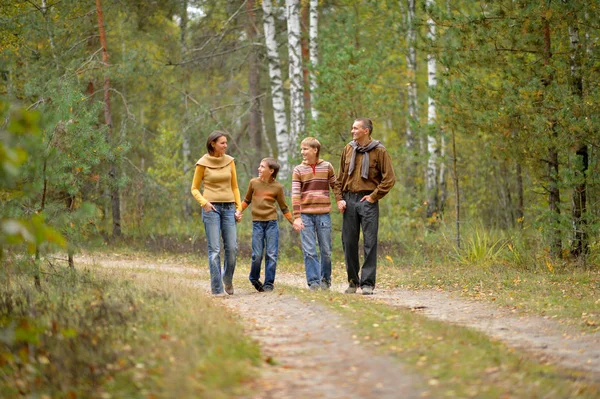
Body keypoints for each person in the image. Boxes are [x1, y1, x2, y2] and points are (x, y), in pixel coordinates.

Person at [335, 118, 396, 295]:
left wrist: (373, 196)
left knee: (370, 242)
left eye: (355, 128)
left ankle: (368, 283)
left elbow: (389, 179)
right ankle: (353, 282)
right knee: (349, 242)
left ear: (366, 131)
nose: (352, 131)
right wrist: (339, 198)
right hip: (349, 200)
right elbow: (339, 178)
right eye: (352, 128)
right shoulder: (348, 148)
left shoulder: (380, 151)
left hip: (367, 201)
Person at [191, 131, 242, 296]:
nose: (226, 146)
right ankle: (217, 289)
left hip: (229, 208)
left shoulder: (230, 161)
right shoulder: (202, 163)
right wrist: (204, 202)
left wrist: (239, 207)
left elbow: (235, 186)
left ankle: (227, 279)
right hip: (211, 208)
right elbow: (194, 189)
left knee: (232, 248)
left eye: (226, 143)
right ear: (213, 143)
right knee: (214, 250)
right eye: (222, 143)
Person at [236, 158, 294, 293]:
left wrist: (293, 221)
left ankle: (269, 283)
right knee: (257, 254)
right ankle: (254, 278)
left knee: (272, 254)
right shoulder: (253, 183)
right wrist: (238, 211)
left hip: (271, 223)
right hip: (257, 224)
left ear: (271, 171)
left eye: (262, 167)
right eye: (259, 166)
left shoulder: (278, 187)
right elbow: (246, 200)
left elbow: (284, 208)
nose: (259, 168)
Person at [292, 137, 337, 290]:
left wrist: (339, 200)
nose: (302, 152)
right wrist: (297, 217)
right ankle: (313, 282)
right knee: (309, 250)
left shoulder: (327, 167)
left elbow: (335, 186)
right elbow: (295, 194)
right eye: (301, 149)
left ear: (315, 150)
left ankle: (325, 280)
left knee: (326, 251)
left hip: (324, 214)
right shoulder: (298, 170)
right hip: (305, 215)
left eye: (305, 149)